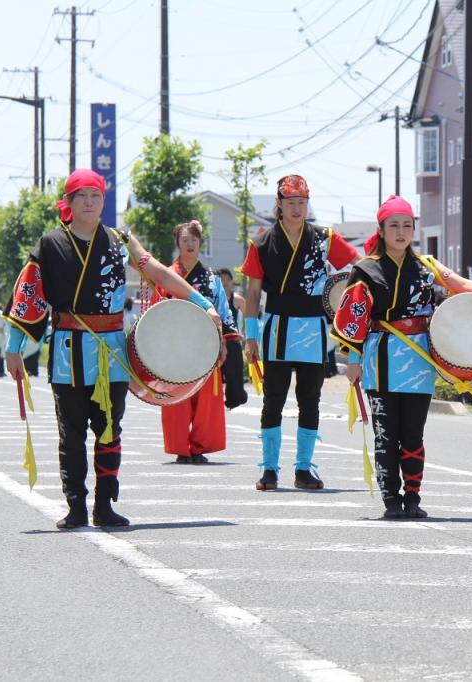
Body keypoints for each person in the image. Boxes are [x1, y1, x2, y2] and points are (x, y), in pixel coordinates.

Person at [4, 169, 222, 530]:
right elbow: (29, 296)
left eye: (96, 196)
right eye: (82, 196)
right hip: (68, 351)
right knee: (71, 432)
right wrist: (14, 349)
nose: (90, 202)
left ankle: (104, 504)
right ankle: (75, 504)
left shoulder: (120, 241)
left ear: (104, 202)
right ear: (69, 202)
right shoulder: (50, 244)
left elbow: (158, 273)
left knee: (109, 428)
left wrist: (203, 303)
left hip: (111, 351)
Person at [333, 196, 472, 519]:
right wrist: (352, 360)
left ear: (414, 229)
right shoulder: (366, 270)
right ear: (382, 230)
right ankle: (391, 501)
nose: (401, 232)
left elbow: (458, 284)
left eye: (406, 225)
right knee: (387, 434)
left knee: (413, 433)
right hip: (381, 359)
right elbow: (354, 316)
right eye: (394, 226)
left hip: (418, 361)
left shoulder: (426, 266)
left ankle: (412, 497)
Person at [242, 174, 361, 491]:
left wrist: (348, 293)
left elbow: (357, 264)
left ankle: (304, 469)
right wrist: (250, 336)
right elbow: (253, 294)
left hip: (313, 325)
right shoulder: (262, 242)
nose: (297, 208)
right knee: (274, 400)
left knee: (311, 399)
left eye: (302, 203)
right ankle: (269, 469)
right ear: (278, 204)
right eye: (291, 202)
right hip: (277, 325)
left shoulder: (325, 238)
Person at [154, 220, 238, 464]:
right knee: (177, 397)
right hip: (174, 346)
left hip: (206, 343)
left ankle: (200, 446)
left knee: (205, 400)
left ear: (201, 243)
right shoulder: (167, 275)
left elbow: (223, 311)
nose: (189, 244)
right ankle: (181, 447)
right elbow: (156, 310)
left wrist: (225, 341)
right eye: (184, 240)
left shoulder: (212, 279)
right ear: (177, 244)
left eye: (194, 239)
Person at [217, 267, 248, 410]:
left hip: (232, 341)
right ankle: (215, 401)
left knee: (234, 374)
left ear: (231, 282)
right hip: (216, 342)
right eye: (221, 280)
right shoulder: (212, 299)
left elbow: (250, 316)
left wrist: (245, 335)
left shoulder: (236, 299)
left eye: (227, 280)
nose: (225, 283)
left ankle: (235, 399)